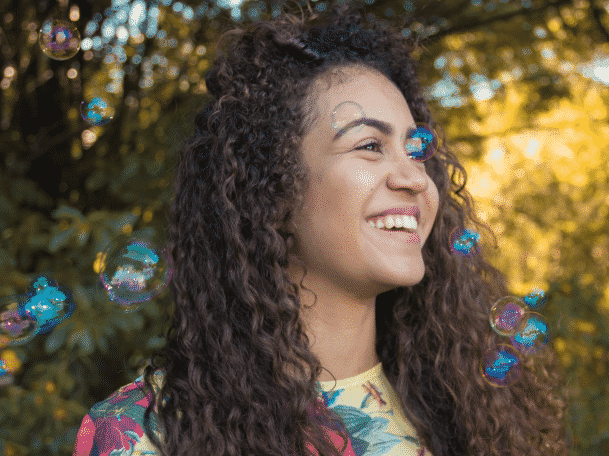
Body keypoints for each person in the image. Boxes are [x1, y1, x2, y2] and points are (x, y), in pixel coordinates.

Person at [73, 1, 568, 455]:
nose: (416, 178)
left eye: (416, 150)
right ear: (272, 189)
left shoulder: (471, 411)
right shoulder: (140, 433)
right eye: (369, 146)